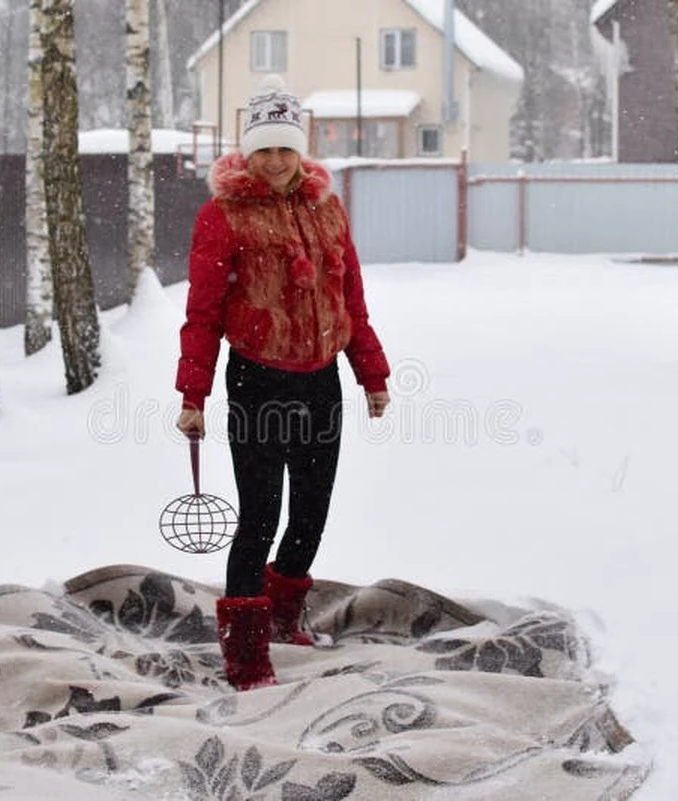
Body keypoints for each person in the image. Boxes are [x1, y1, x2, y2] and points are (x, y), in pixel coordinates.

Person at [174, 75, 391, 691]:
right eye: (264, 149)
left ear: (302, 150)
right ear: (248, 151)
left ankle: (284, 615)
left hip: (321, 381)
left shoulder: (328, 207)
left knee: (312, 514)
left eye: (285, 149)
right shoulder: (223, 215)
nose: (274, 162)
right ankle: (245, 656)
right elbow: (203, 313)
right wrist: (194, 395)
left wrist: (370, 374)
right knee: (260, 516)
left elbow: (351, 298)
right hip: (257, 381)